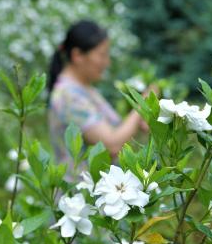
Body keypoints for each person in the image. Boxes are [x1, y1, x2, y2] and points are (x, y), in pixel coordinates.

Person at [47, 20, 155, 166]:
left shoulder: (84, 88)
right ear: (77, 55)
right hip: (81, 187)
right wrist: (144, 104)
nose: (107, 62)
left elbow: (114, 132)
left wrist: (137, 121)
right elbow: (111, 145)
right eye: (102, 55)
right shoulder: (68, 96)